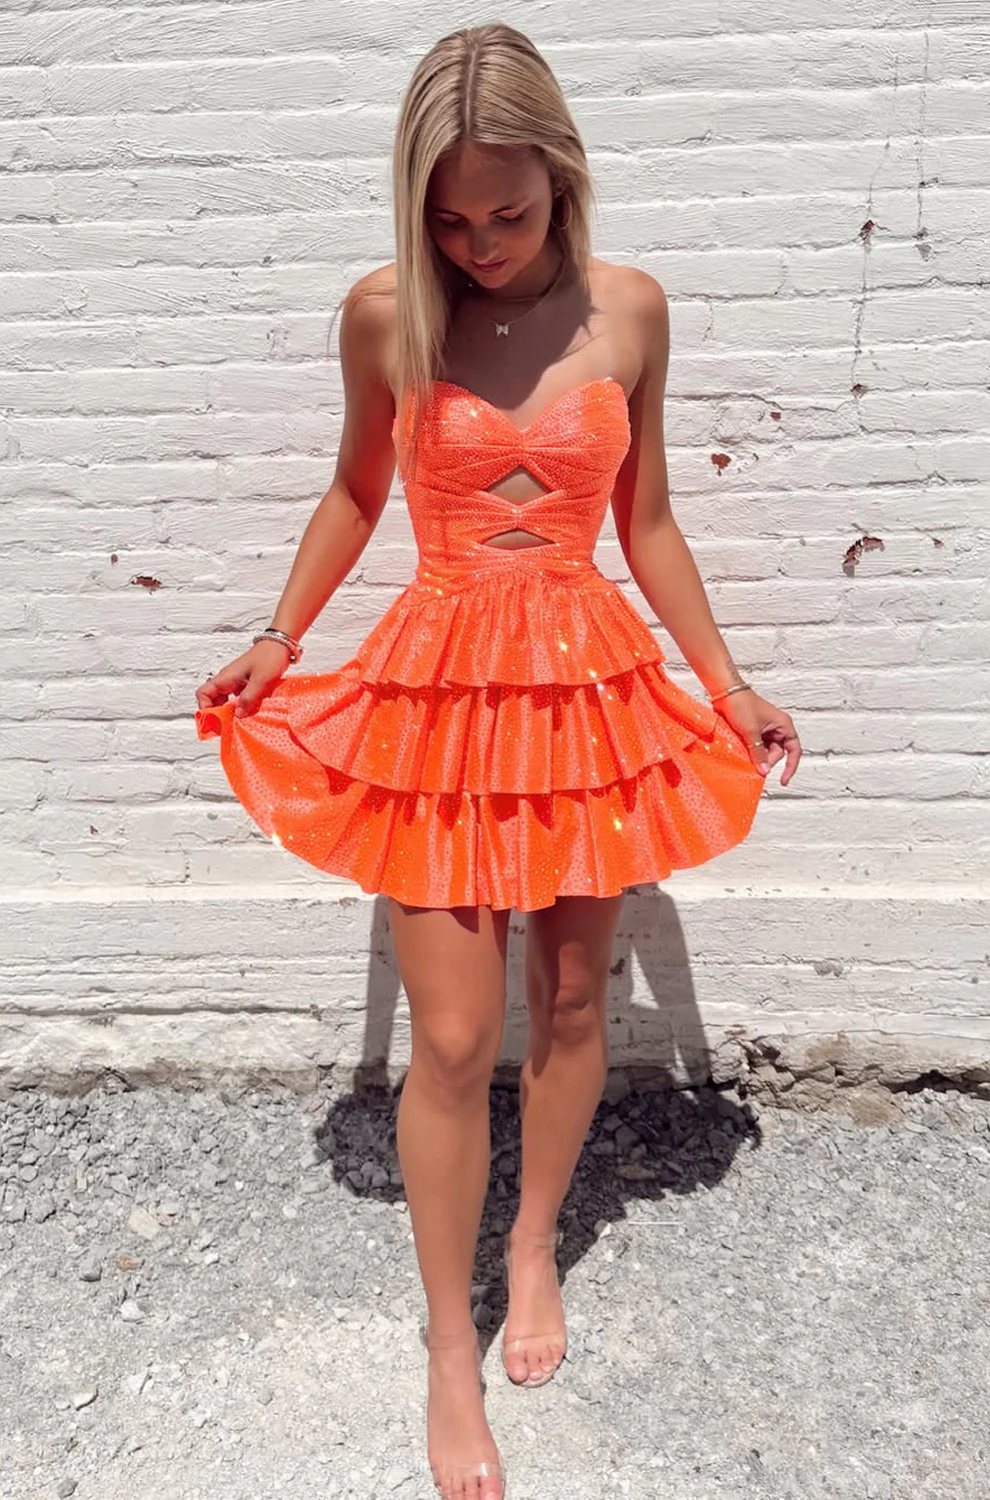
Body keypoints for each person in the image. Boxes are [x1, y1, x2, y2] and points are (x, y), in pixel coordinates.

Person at [195, 21, 801, 1499]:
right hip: (443, 683)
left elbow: (649, 520)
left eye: (508, 214)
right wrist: (279, 635)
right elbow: (357, 492)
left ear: (564, 181)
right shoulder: (383, 316)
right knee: (457, 1037)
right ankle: (447, 1346)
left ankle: (534, 1247)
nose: (478, 245)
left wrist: (726, 684)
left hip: (585, 687)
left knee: (576, 998)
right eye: (450, 219)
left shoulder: (632, 311)